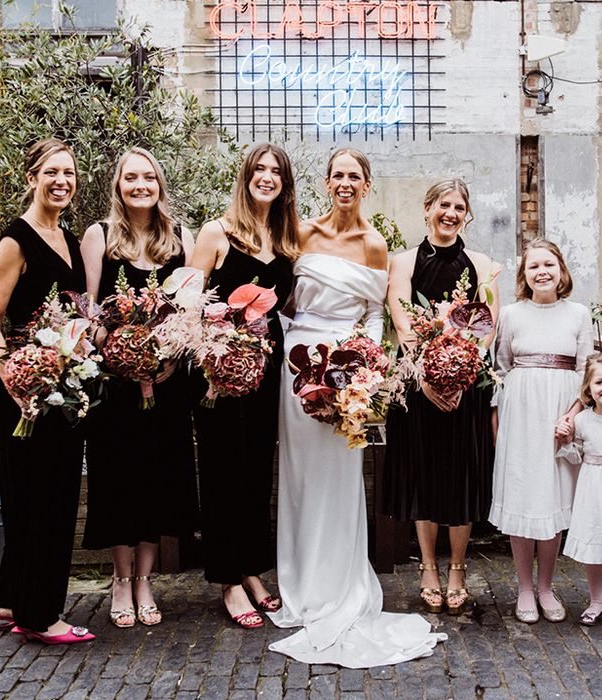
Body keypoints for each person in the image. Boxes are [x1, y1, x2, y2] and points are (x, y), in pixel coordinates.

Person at [268, 148, 446, 667]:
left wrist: (360, 374)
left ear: (366, 184)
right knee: (298, 478)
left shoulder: (374, 244)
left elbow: (373, 316)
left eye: (354, 176)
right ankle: (300, 584)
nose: (345, 183)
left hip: (347, 376)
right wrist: (299, 362)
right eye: (337, 175)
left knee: (342, 480)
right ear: (327, 182)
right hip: (298, 369)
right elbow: (285, 305)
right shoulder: (301, 233)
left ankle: (341, 584)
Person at [0, 137, 95, 644]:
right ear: (31, 178)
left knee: (39, 498)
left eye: (68, 173)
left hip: (63, 390)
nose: (61, 181)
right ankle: (41, 616)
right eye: (51, 172)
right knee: (43, 501)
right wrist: (16, 379)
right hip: (27, 394)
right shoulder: (15, 241)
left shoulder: (65, 236)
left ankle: (6, 600)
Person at [79, 147, 196, 628]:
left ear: (160, 184)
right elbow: (89, 312)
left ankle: (146, 579)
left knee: (157, 481)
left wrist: (164, 356)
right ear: (118, 185)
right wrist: (121, 349)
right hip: (117, 388)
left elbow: (190, 314)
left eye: (149, 177)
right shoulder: (98, 236)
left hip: (167, 386)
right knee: (119, 480)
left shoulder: (181, 238)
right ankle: (121, 579)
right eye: (131, 178)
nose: (140, 185)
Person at [382, 179, 499, 617]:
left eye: (459, 207)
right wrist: (428, 379)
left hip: (465, 387)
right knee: (422, 475)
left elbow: (486, 329)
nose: (451, 213)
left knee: (461, 476)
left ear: (466, 214)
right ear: (427, 208)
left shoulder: (483, 263)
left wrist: (458, 373)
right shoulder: (404, 262)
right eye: (443, 205)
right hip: (417, 384)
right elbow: (402, 323)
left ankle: (457, 568)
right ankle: (428, 566)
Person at [191, 143, 296, 628]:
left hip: (267, 368)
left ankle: (252, 568)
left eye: (276, 171)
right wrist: (218, 352)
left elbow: (289, 308)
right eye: (260, 169)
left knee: (257, 470)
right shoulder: (217, 233)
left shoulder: (286, 239)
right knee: (222, 472)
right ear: (246, 176)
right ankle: (229, 580)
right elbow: (186, 304)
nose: (267, 177)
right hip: (219, 371)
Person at [489, 239, 593, 623]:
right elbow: (500, 369)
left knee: (550, 499)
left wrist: (571, 416)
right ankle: (524, 590)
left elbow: (586, 372)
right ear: (525, 275)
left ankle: (547, 587)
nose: (542, 272)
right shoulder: (513, 315)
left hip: (559, 418)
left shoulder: (578, 314)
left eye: (549, 264)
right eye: (534, 267)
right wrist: (500, 424)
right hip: (522, 416)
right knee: (524, 495)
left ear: (561, 270)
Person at [559, 354, 602, 626]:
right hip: (593, 490)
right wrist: (566, 440)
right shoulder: (584, 421)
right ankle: (597, 599)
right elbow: (576, 456)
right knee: (594, 544)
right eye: (600, 382)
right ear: (588, 388)